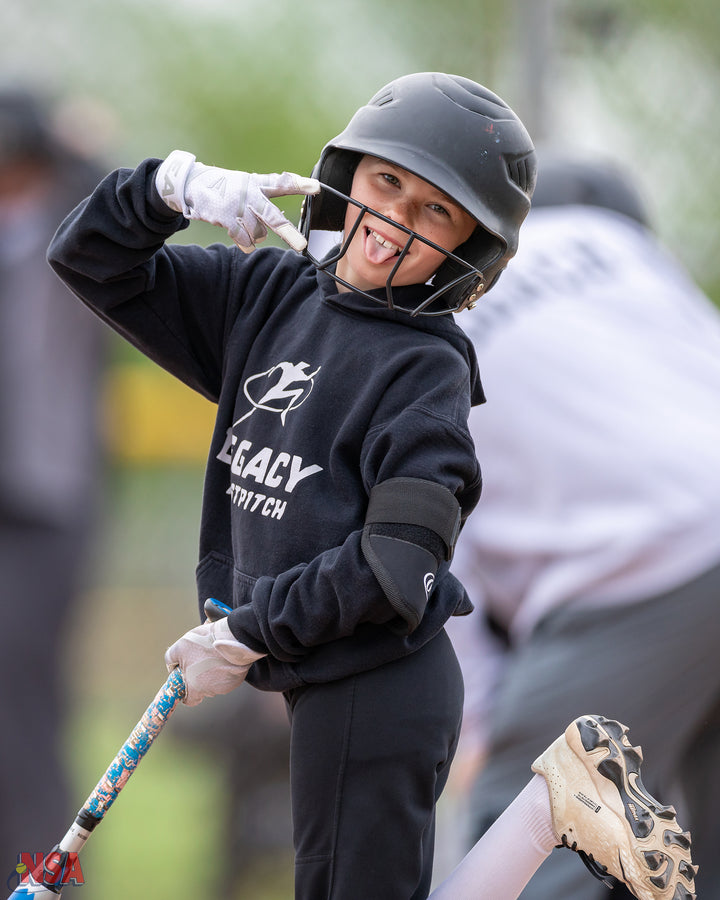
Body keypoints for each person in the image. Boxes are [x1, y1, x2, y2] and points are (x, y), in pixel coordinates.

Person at [46, 74, 694, 900]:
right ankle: (553, 805)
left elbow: (397, 563)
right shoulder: (266, 294)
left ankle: (551, 808)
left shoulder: (428, 369)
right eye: (387, 182)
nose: (393, 222)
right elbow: (89, 257)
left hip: (378, 693)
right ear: (347, 174)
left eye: (435, 212)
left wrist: (250, 629)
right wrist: (173, 188)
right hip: (316, 679)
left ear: (470, 250)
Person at [446, 152, 720, 899]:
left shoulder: (426, 300)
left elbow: (430, 555)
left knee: (525, 850)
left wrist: (478, 738)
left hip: (640, 561)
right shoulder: (616, 242)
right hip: (684, 521)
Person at [0, 89, 107, 878]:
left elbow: (118, 196)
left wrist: (72, 138)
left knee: (22, 701)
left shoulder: (68, 233)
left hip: (47, 503)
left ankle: (48, 879)